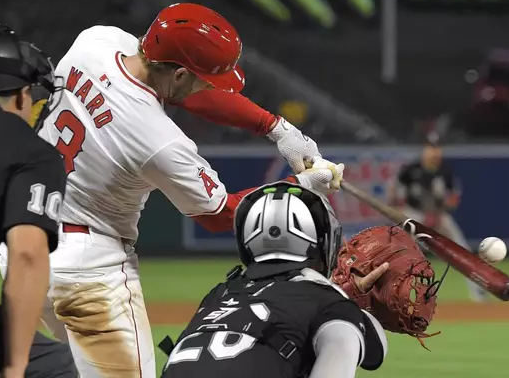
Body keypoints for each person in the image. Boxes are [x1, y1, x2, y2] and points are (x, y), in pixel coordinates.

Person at [0, 3, 344, 378]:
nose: (211, 86)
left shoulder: (95, 41)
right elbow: (220, 214)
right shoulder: (160, 141)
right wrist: (302, 186)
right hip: (89, 270)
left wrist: (276, 128)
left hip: (26, 241)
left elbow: (184, 90)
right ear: (180, 73)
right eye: (204, 78)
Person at [160, 181, 388, 378]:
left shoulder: (219, 294)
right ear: (323, 244)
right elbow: (373, 351)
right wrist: (347, 301)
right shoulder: (326, 303)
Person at [0, 24, 77, 378]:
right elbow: (26, 254)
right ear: (23, 95)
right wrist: (15, 366)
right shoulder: (31, 151)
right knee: (54, 366)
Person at [386, 133, 487, 302]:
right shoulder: (411, 169)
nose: (434, 152)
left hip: (438, 215)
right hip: (414, 214)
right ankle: (390, 293)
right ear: (424, 150)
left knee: (461, 249)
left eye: (437, 148)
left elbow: (454, 198)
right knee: (397, 251)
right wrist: (400, 212)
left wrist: (441, 211)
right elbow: (394, 192)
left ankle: (478, 292)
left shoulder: (445, 171)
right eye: (431, 147)